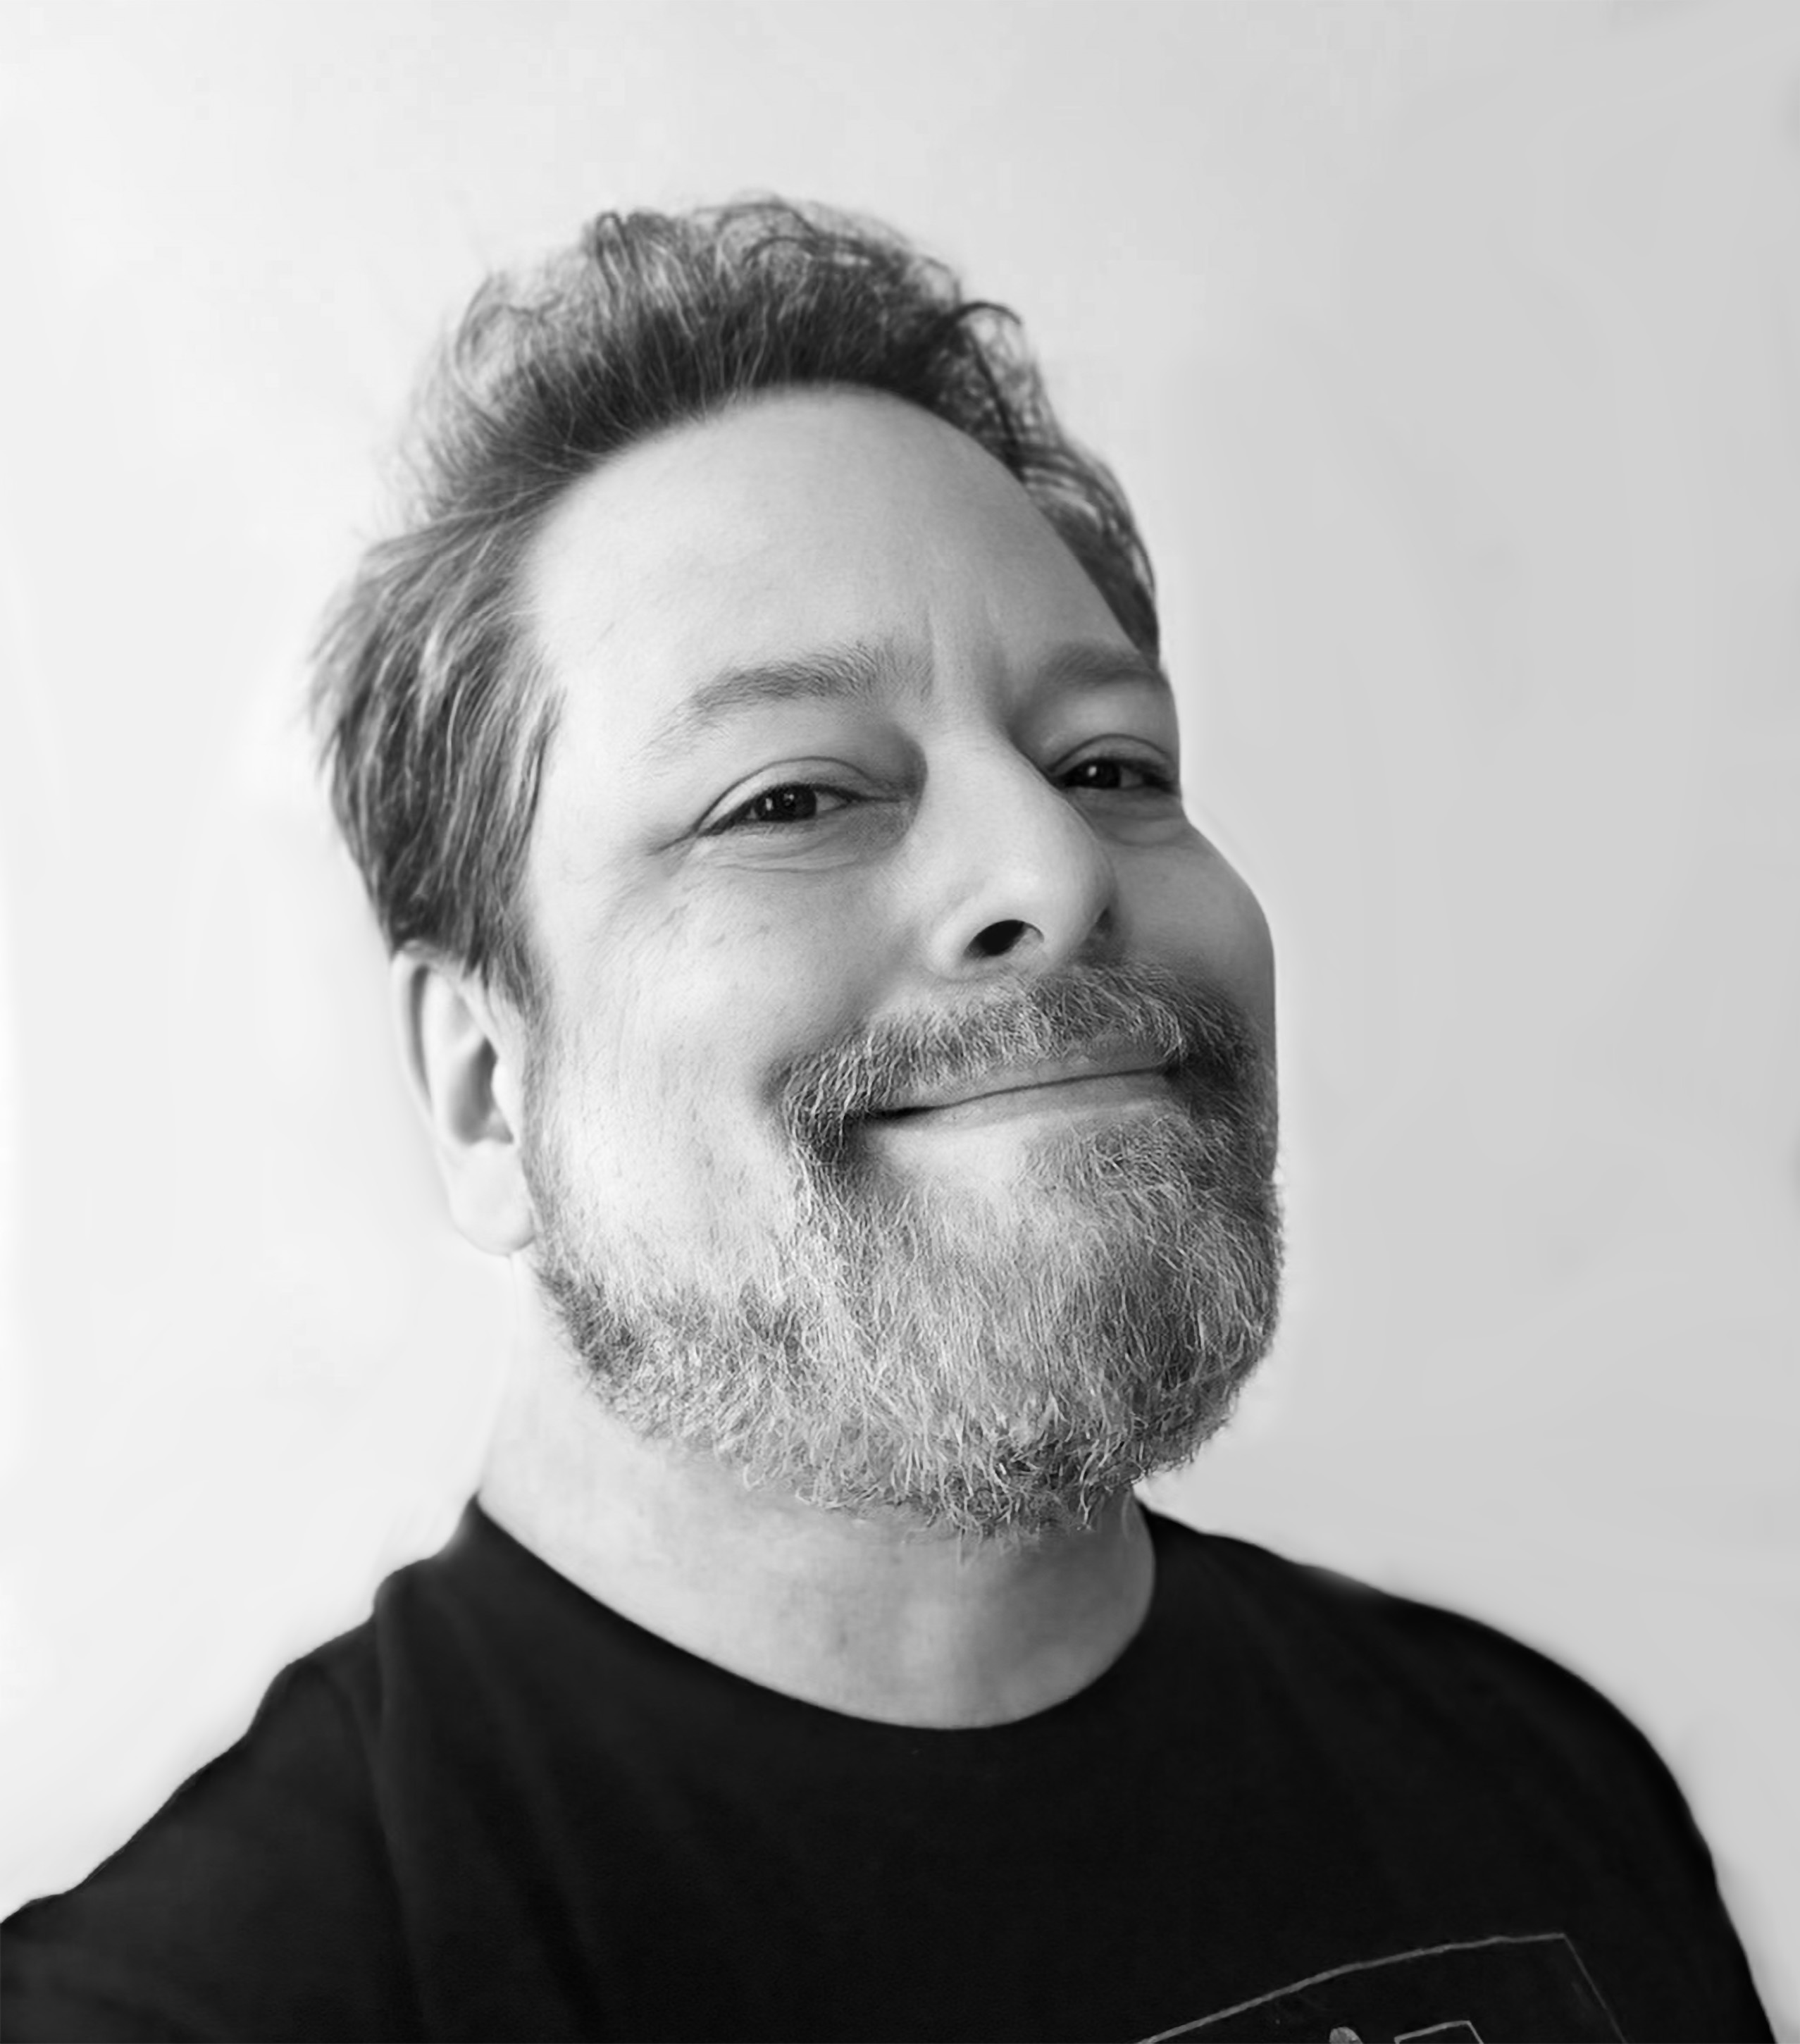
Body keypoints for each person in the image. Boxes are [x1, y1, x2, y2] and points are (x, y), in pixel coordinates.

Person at [0, 200, 1773, 2044]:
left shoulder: (1537, 1773)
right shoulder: (204, 2004)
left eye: (1112, 765)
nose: (1049, 865)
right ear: (482, 1085)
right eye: (789, 797)